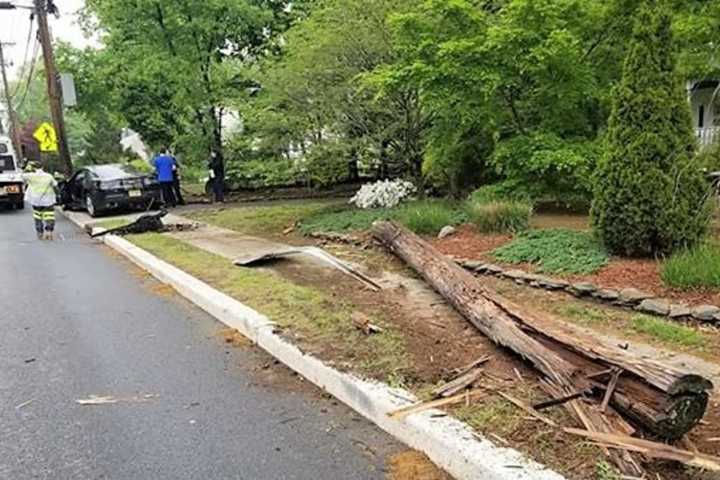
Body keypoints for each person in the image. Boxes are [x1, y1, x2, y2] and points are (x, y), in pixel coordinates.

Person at [23, 162, 58, 240]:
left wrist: (27, 169)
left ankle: (40, 233)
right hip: (48, 200)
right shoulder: (49, 176)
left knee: (37, 216)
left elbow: (22, 176)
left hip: (35, 200)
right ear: (42, 167)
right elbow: (55, 185)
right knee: (49, 215)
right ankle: (49, 232)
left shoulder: (30, 176)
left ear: (33, 168)